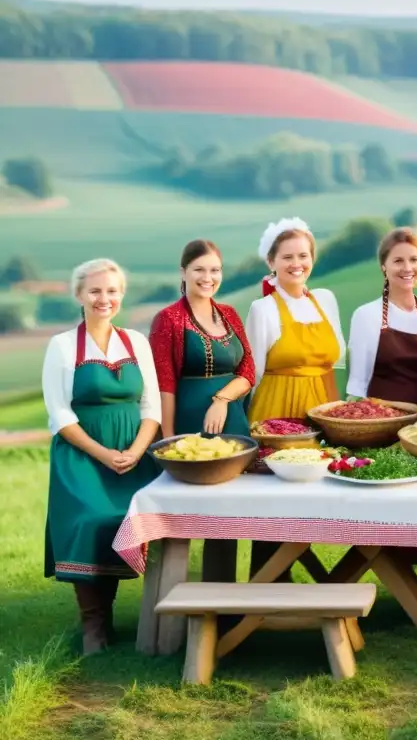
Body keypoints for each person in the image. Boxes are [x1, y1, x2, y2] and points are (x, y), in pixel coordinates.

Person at [41, 258, 162, 654]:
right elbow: (59, 415)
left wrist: (136, 451)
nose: (103, 298)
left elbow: (151, 407)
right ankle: (94, 623)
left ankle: (162, 613)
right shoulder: (61, 345)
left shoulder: (136, 342)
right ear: (79, 294)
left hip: (134, 452)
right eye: (94, 291)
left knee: (135, 521)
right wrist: (104, 455)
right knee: (94, 519)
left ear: (121, 295)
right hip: (83, 455)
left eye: (112, 291)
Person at [148, 239, 255, 582]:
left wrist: (223, 399)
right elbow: (163, 383)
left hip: (233, 421)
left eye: (214, 270)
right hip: (189, 426)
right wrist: (168, 443)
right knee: (185, 513)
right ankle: (169, 599)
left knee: (231, 512)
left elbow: (248, 370)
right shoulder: (168, 320)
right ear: (183, 272)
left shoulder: (231, 314)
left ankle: (222, 594)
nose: (208, 277)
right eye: (199, 270)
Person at [245, 217, 345, 580]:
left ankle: (315, 576)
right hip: (277, 407)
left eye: (303, 255)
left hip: (322, 403)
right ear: (271, 262)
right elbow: (252, 371)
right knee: (275, 499)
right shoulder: (264, 309)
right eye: (287, 256)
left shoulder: (326, 301)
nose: (296, 263)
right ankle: (269, 579)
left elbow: (338, 355)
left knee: (317, 494)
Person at [346, 227, 417, 567]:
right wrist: (354, 431)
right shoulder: (366, 315)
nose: (407, 267)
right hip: (385, 423)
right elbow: (358, 381)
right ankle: (387, 563)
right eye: (398, 261)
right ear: (384, 267)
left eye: (414, 259)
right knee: (390, 496)